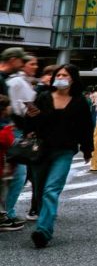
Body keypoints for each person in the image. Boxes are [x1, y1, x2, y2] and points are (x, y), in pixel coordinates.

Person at [22, 64, 93, 248]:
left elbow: (86, 127)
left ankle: (43, 231)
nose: (60, 77)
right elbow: (30, 122)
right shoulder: (44, 97)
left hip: (64, 150)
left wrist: (87, 149)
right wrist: (30, 119)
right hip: (41, 149)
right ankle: (42, 221)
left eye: (65, 75)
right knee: (39, 190)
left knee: (51, 190)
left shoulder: (79, 101)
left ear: (73, 79)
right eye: (58, 74)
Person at [4, 53, 38, 227]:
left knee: (15, 174)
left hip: (16, 129)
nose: (35, 67)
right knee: (18, 174)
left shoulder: (22, 82)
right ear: (22, 65)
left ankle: (7, 212)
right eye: (32, 64)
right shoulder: (17, 82)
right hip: (14, 129)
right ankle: (7, 213)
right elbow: (27, 107)